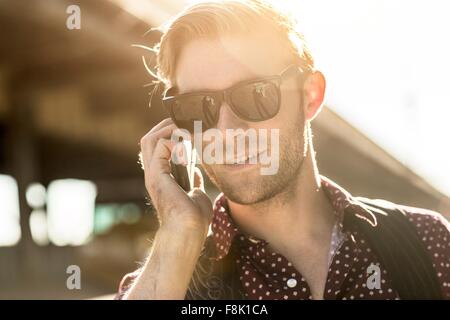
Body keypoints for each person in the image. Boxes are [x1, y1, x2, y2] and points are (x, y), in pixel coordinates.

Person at [116, 0, 450, 300]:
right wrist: (178, 234)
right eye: (195, 106)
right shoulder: (170, 281)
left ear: (310, 95)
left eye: (256, 95)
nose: (228, 131)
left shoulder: (425, 241)